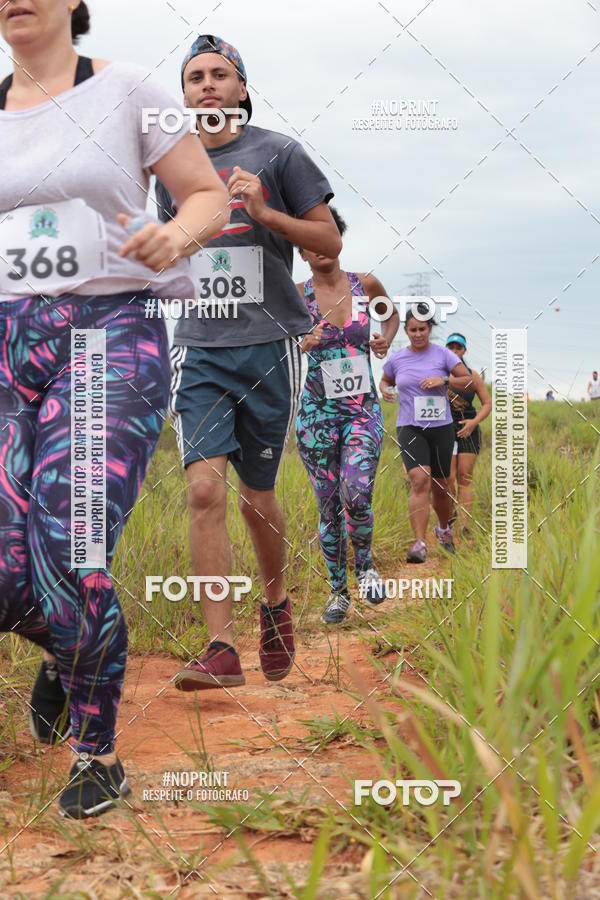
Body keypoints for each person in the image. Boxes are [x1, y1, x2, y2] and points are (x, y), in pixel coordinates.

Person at [0, 1, 228, 819]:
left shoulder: (130, 89)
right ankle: (65, 648)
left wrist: (176, 237)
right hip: (8, 342)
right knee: (7, 570)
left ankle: (97, 753)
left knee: (72, 544)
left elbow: (207, 197)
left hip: (108, 335)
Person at [155, 36, 341, 689]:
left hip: (268, 344)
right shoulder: (172, 167)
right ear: (184, 93)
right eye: (195, 77)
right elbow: (172, 255)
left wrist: (264, 212)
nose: (207, 84)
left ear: (240, 88)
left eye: (219, 74)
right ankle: (221, 647)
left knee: (257, 498)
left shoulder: (280, 153)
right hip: (200, 346)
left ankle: (276, 603)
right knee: (204, 489)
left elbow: (327, 239)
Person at [295, 208, 399, 624]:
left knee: (356, 493)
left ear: (338, 239)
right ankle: (338, 592)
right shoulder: (296, 294)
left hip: (361, 411)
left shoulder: (365, 284)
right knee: (328, 508)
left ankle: (366, 567)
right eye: (310, 243)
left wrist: (385, 339)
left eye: (328, 237)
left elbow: (391, 314)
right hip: (316, 417)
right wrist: (302, 341)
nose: (321, 248)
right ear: (302, 252)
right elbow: (275, 343)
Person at [379, 305, 472, 562]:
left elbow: (468, 381)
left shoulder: (443, 355)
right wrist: (385, 389)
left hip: (441, 428)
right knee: (420, 480)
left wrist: (444, 380)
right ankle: (419, 543)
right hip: (410, 427)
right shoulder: (397, 359)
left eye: (422, 329)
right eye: (413, 330)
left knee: (442, 486)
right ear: (406, 331)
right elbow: (385, 380)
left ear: (430, 328)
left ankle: (443, 529)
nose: (418, 334)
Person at [445, 333, 491, 531]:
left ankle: (465, 525)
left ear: (464, 350)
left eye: (458, 348)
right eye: (451, 347)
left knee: (465, 477)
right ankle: (450, 514)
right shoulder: (439, 373)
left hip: (468, 428)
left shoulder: (472, 375)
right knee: (448, 477)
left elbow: (487, 403)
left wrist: (474, 422)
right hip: (445, 429)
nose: (454, 351)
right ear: (445, 349)